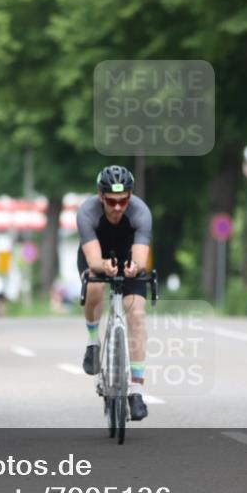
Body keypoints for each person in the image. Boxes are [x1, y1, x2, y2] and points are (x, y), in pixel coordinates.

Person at [77, 165, 152, 421]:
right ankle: (92, 342)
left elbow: (140, 257)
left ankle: (137, 392)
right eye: (111, 201)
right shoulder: (87, 212)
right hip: (97, 256)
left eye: (123, 200)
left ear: (130, 196)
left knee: (137, 316)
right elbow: (93, 259)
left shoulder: (141, 212)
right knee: (95, 285)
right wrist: (102, 267)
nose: (118, 207)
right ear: (101, 196)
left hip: (128, 258)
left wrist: (135, 267)